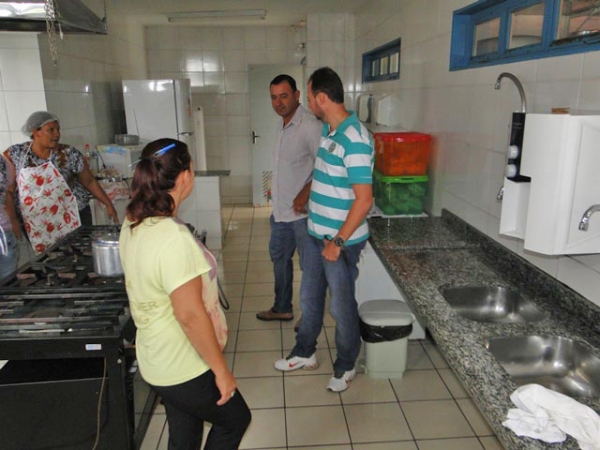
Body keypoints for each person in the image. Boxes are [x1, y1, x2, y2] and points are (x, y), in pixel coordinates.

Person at [119, 138, 251, 450]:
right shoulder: (173, 237)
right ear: (185, 176)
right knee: (235, 421)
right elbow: (190, 316)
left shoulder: (132, 221)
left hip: (156, 357)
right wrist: (221, 371)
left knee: (184, 434)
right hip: (183, 364)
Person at [274, 67, 374, 393]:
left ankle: (346, 364)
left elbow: (364, 200)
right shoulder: (331, 132)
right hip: (318, 233)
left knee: (340, 307)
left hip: (337, 242)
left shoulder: (355, 138)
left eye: (310, 96)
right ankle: (305, 352)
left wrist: (338, 242)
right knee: (310, 296)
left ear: (319, 98)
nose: (310, 105)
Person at [255, 74, 322, 324]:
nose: (278, 102)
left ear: (296, 95)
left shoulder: (311, 126)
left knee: (310, 269)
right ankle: (282, 307)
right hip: (281, 213)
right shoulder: (282, 124)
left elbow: (326, 167)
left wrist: (305, 191)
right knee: (280, 261)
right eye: (273, 97)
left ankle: (309, 321)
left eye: (284, 96)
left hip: (304, 215)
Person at [4, 111, 118, 230]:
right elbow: (8, 190)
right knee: (49, 249)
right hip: (36, 222)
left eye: (58, 129)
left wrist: (108, 204)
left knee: (79, 248)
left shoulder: (69, 153)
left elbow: (89, 181)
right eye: (51, 130)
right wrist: (12, 219)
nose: (57, 134)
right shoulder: (16, 154)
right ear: (35, 132)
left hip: (73, 216)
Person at [0, 154, 22, 279]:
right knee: (6, 290)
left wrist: (13, 221)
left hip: (4, 234)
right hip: (4, 232)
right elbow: (8, 192)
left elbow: (8, 193)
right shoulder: (3, 161)